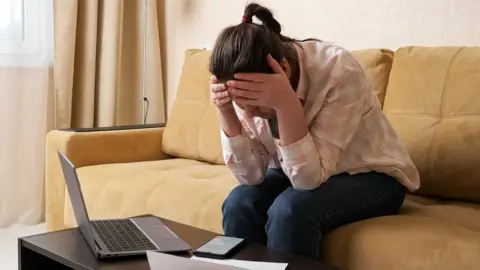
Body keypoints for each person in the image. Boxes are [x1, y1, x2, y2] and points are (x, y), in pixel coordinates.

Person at [209, 3, 420, 259]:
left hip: (371, 176)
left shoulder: (338, 70)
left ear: (283, 70)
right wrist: (227, 112)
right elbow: (251, 177)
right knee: (239, 202)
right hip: (300, 170)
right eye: (241, 105)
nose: (250, 114)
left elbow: (307, 180)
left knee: (290, 210)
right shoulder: (245, 80)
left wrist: (285, 104)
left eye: (254, 104)